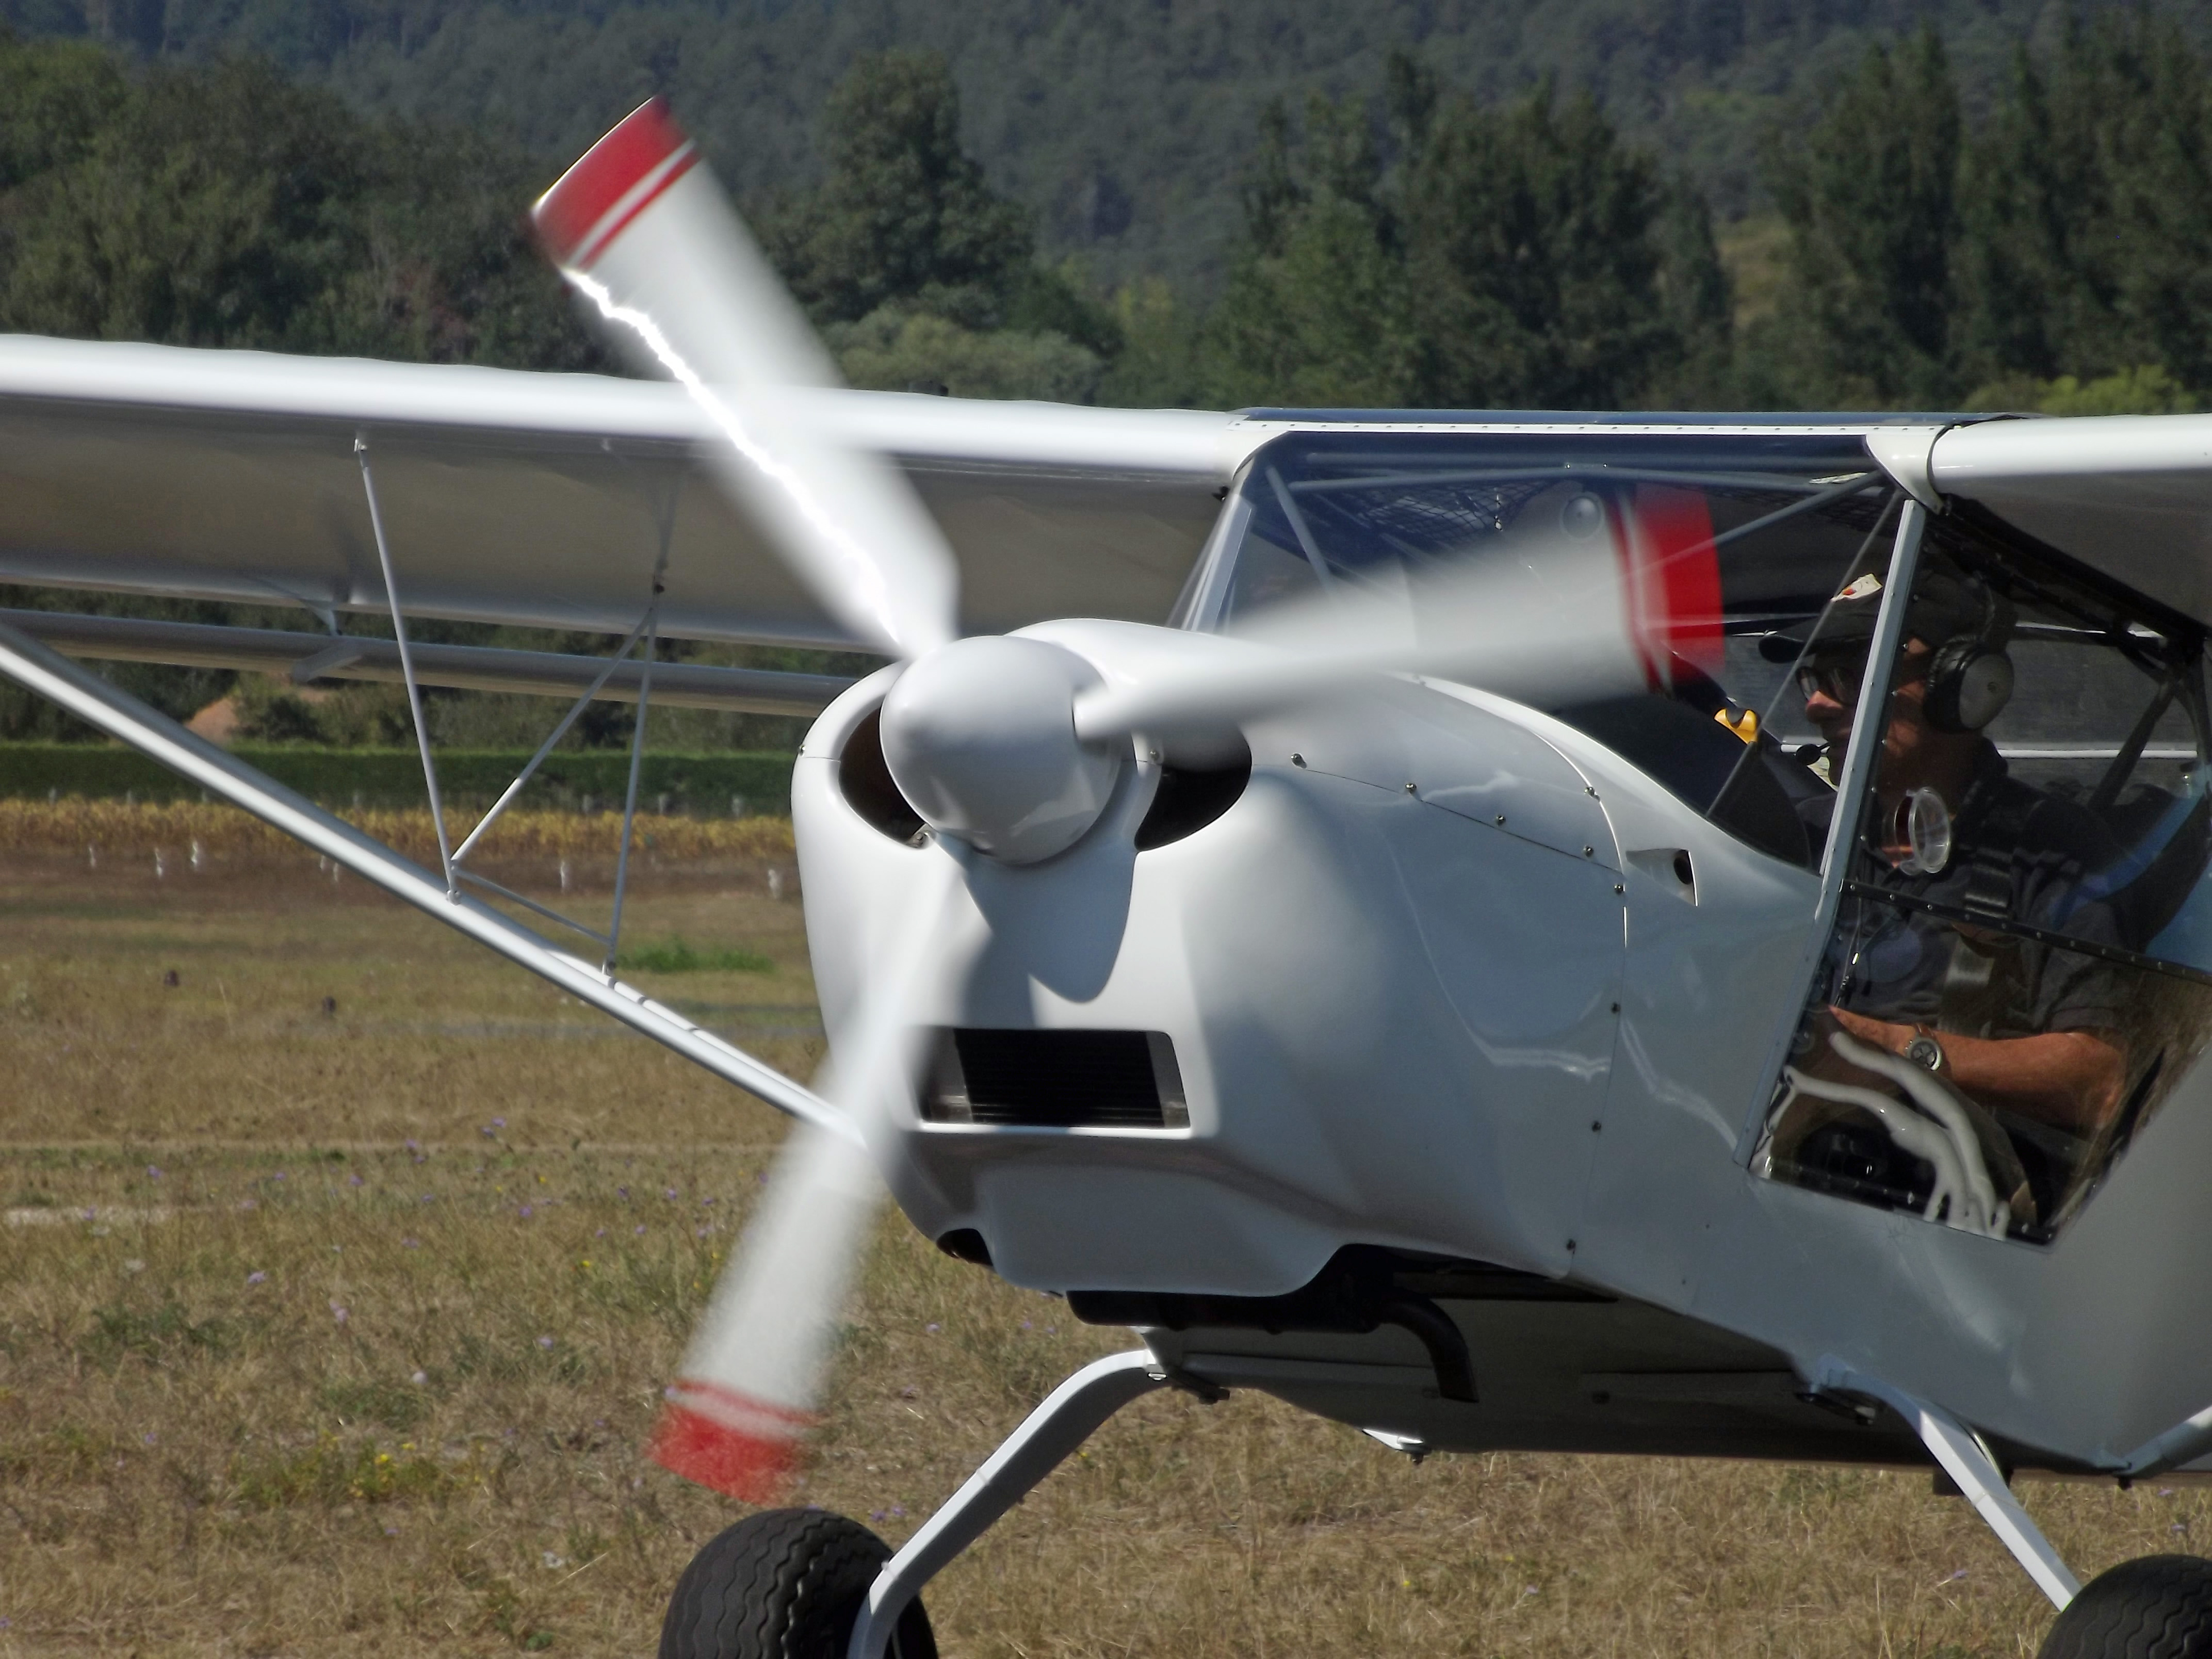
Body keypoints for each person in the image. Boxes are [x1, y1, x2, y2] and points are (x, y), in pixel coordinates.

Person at [1766, 563, 2128, 1136]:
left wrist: (1887, 1050)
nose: (1815, 706)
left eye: (1847, 675)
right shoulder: (1798, 837)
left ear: (1961, 686)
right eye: (1814, 678)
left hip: (1941, 1197)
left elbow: (2100, 1082)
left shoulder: (2051, 849)